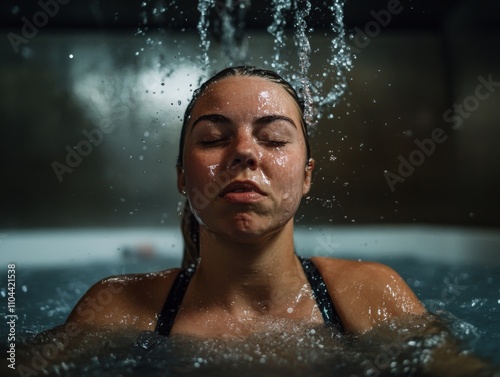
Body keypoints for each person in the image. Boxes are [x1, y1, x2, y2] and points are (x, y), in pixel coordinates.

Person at [65, 66, 426, 338]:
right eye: (212, 139)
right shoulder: (116, 308)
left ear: (306, 176)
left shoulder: (371, 294)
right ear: (181, 177)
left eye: (273, 138)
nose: (243, 152)